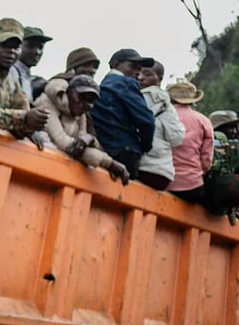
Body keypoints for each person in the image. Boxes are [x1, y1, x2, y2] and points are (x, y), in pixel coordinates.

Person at [35, 75, 129, 184]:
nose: (85, 104)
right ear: (69, 92)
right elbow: (67, 145)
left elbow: (81, 145)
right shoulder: (47, 103)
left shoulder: (80, 114)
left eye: (91, 101)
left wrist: (90, 139)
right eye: (81, 97)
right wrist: (109, 163)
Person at [89, 49, 156, 180]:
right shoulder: (126, 83)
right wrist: (145, 146)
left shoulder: (100, 88)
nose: (137, 73)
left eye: (139, 69)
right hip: (126, 151)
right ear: (116, 64)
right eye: (132, 66)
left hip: (104, 150)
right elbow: (147, 121)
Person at [167, 82, 215, 210]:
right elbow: (206, 161)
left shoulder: (161, 117)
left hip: (163, 182)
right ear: (193, 100)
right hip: (192, 187)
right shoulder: (203, 121)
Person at [137, 61, 185, 190]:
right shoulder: (167, 106)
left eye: (147, 74)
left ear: (160, 78)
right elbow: (176, 139)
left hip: (140, 168)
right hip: (163, 173)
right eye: (139, 72)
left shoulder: (136, 98)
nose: (141, 77)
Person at [14, 26, 53, 103]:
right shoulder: (11, 72)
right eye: (31, 46)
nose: (37, 52)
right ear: (18, 46)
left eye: (40, 47)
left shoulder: (27, 77)